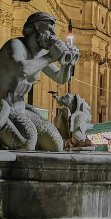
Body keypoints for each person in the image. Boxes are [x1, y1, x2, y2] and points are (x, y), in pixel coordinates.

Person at [0, 12, 79, 151]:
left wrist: (68, 64)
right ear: (33, 29)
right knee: (27, 141)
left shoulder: (40, 54)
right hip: (3, 106)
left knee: (55, 143)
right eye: (49, 29)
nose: (52, 35)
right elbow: (22, 70)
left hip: (20, 108)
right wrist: (50, 57)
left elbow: (60, 78)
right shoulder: (15, 45)